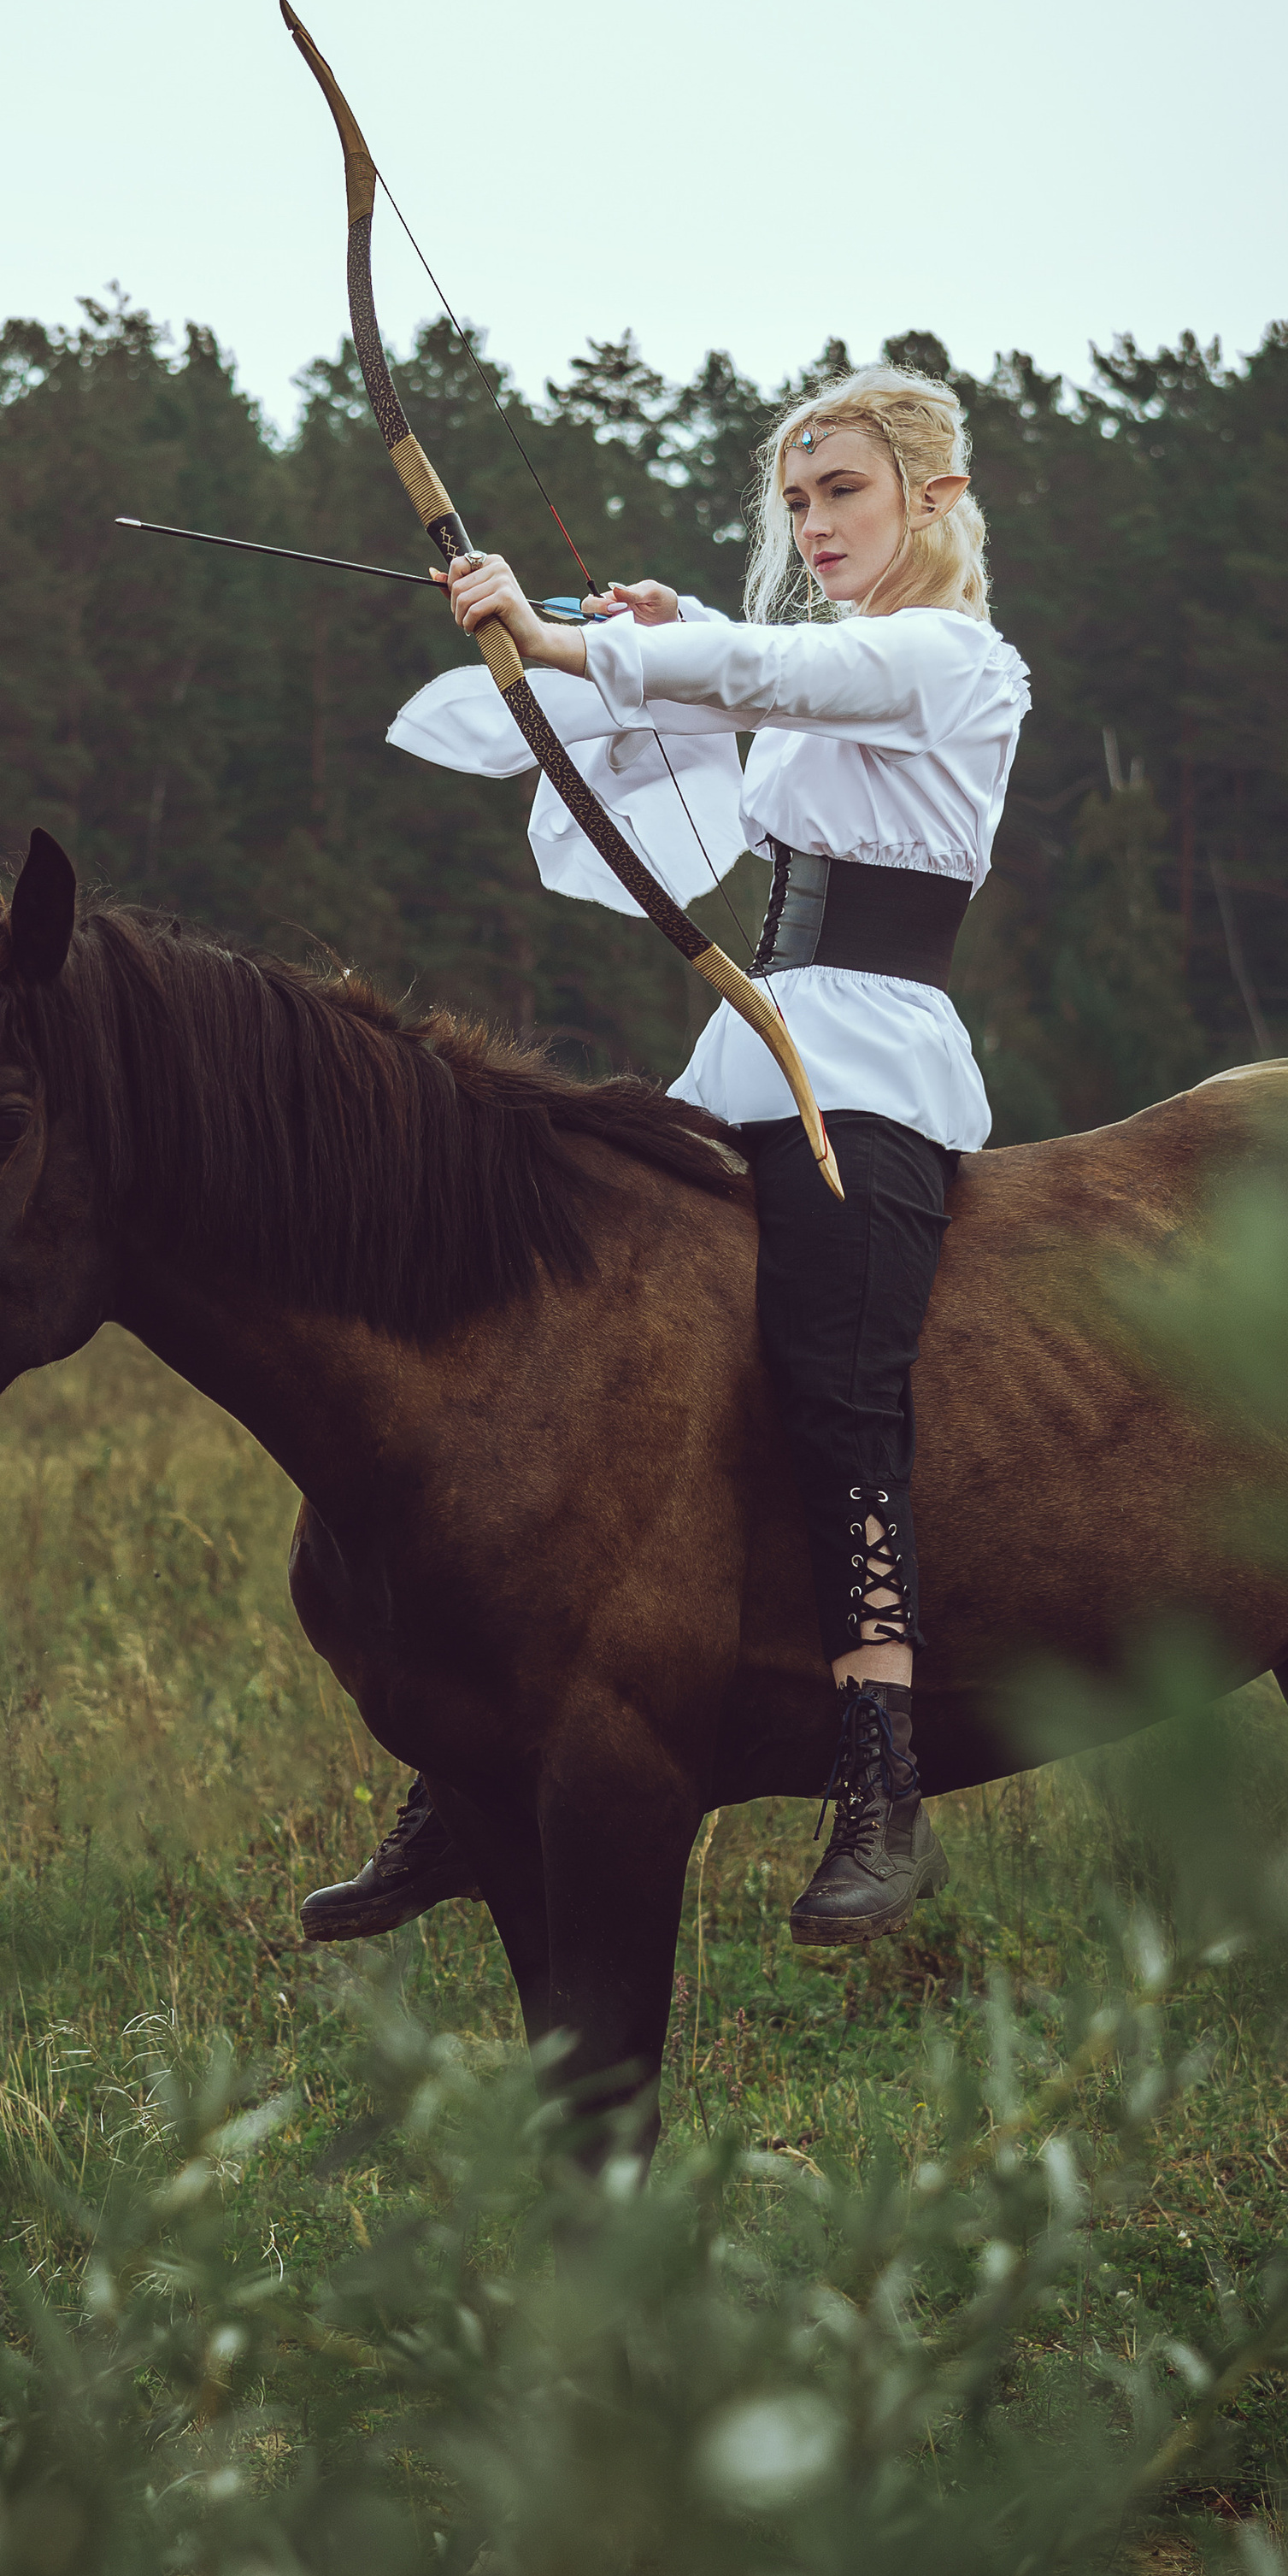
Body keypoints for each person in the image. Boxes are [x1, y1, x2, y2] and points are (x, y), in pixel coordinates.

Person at [300, 365, 1029, 1950]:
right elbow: (766, 676)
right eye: (798, 500)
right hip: (747, 1056)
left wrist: (575, 638)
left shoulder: (958, 660)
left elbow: (786, 673)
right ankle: (466, 1756)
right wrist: (647, 626)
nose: (817, 521)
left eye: (844, 492)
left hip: (871, 1074)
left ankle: (880, 1776)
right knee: (564, 1345)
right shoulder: (850, 659)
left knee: (839, 1386)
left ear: (934, 499)